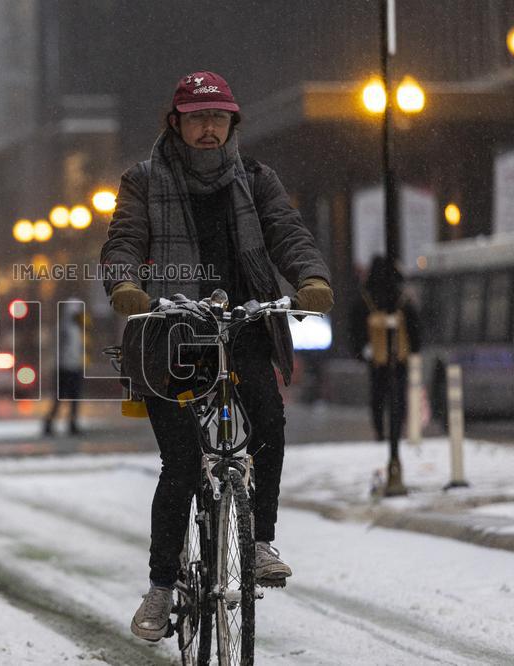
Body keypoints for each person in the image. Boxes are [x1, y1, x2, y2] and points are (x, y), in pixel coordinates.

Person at [99, 70, 333, 641]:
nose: (209, 129)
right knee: (181, 463)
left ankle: (258, 543)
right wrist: (126, 283)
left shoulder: (256, 179)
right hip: (170, 332)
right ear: (175, 123)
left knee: (270, 422)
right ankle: (160, 587)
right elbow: (124, 240)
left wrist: (311, 276)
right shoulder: (143, 180)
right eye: (198, 118)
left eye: (219, 118)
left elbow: (287, 232)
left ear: (233, 125)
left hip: (242, 323)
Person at [350, 255, 422, 443]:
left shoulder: (365, 299)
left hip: (376, 356)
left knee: (378, 396)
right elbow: (415, 327)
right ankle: (396, 431)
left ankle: (380, 432)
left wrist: (361, 350)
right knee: (397, 396)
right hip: (399, 355)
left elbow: (355, 327)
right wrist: (414, 350)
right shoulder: (401, 298)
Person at [43, 305, 85, 436]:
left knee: (73, 398)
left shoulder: (76, 328)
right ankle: (50, 424)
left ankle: (71, 424)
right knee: (60, 398)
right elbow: (57, 347)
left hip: (73, 367)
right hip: (64, 368)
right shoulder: (64, 328)